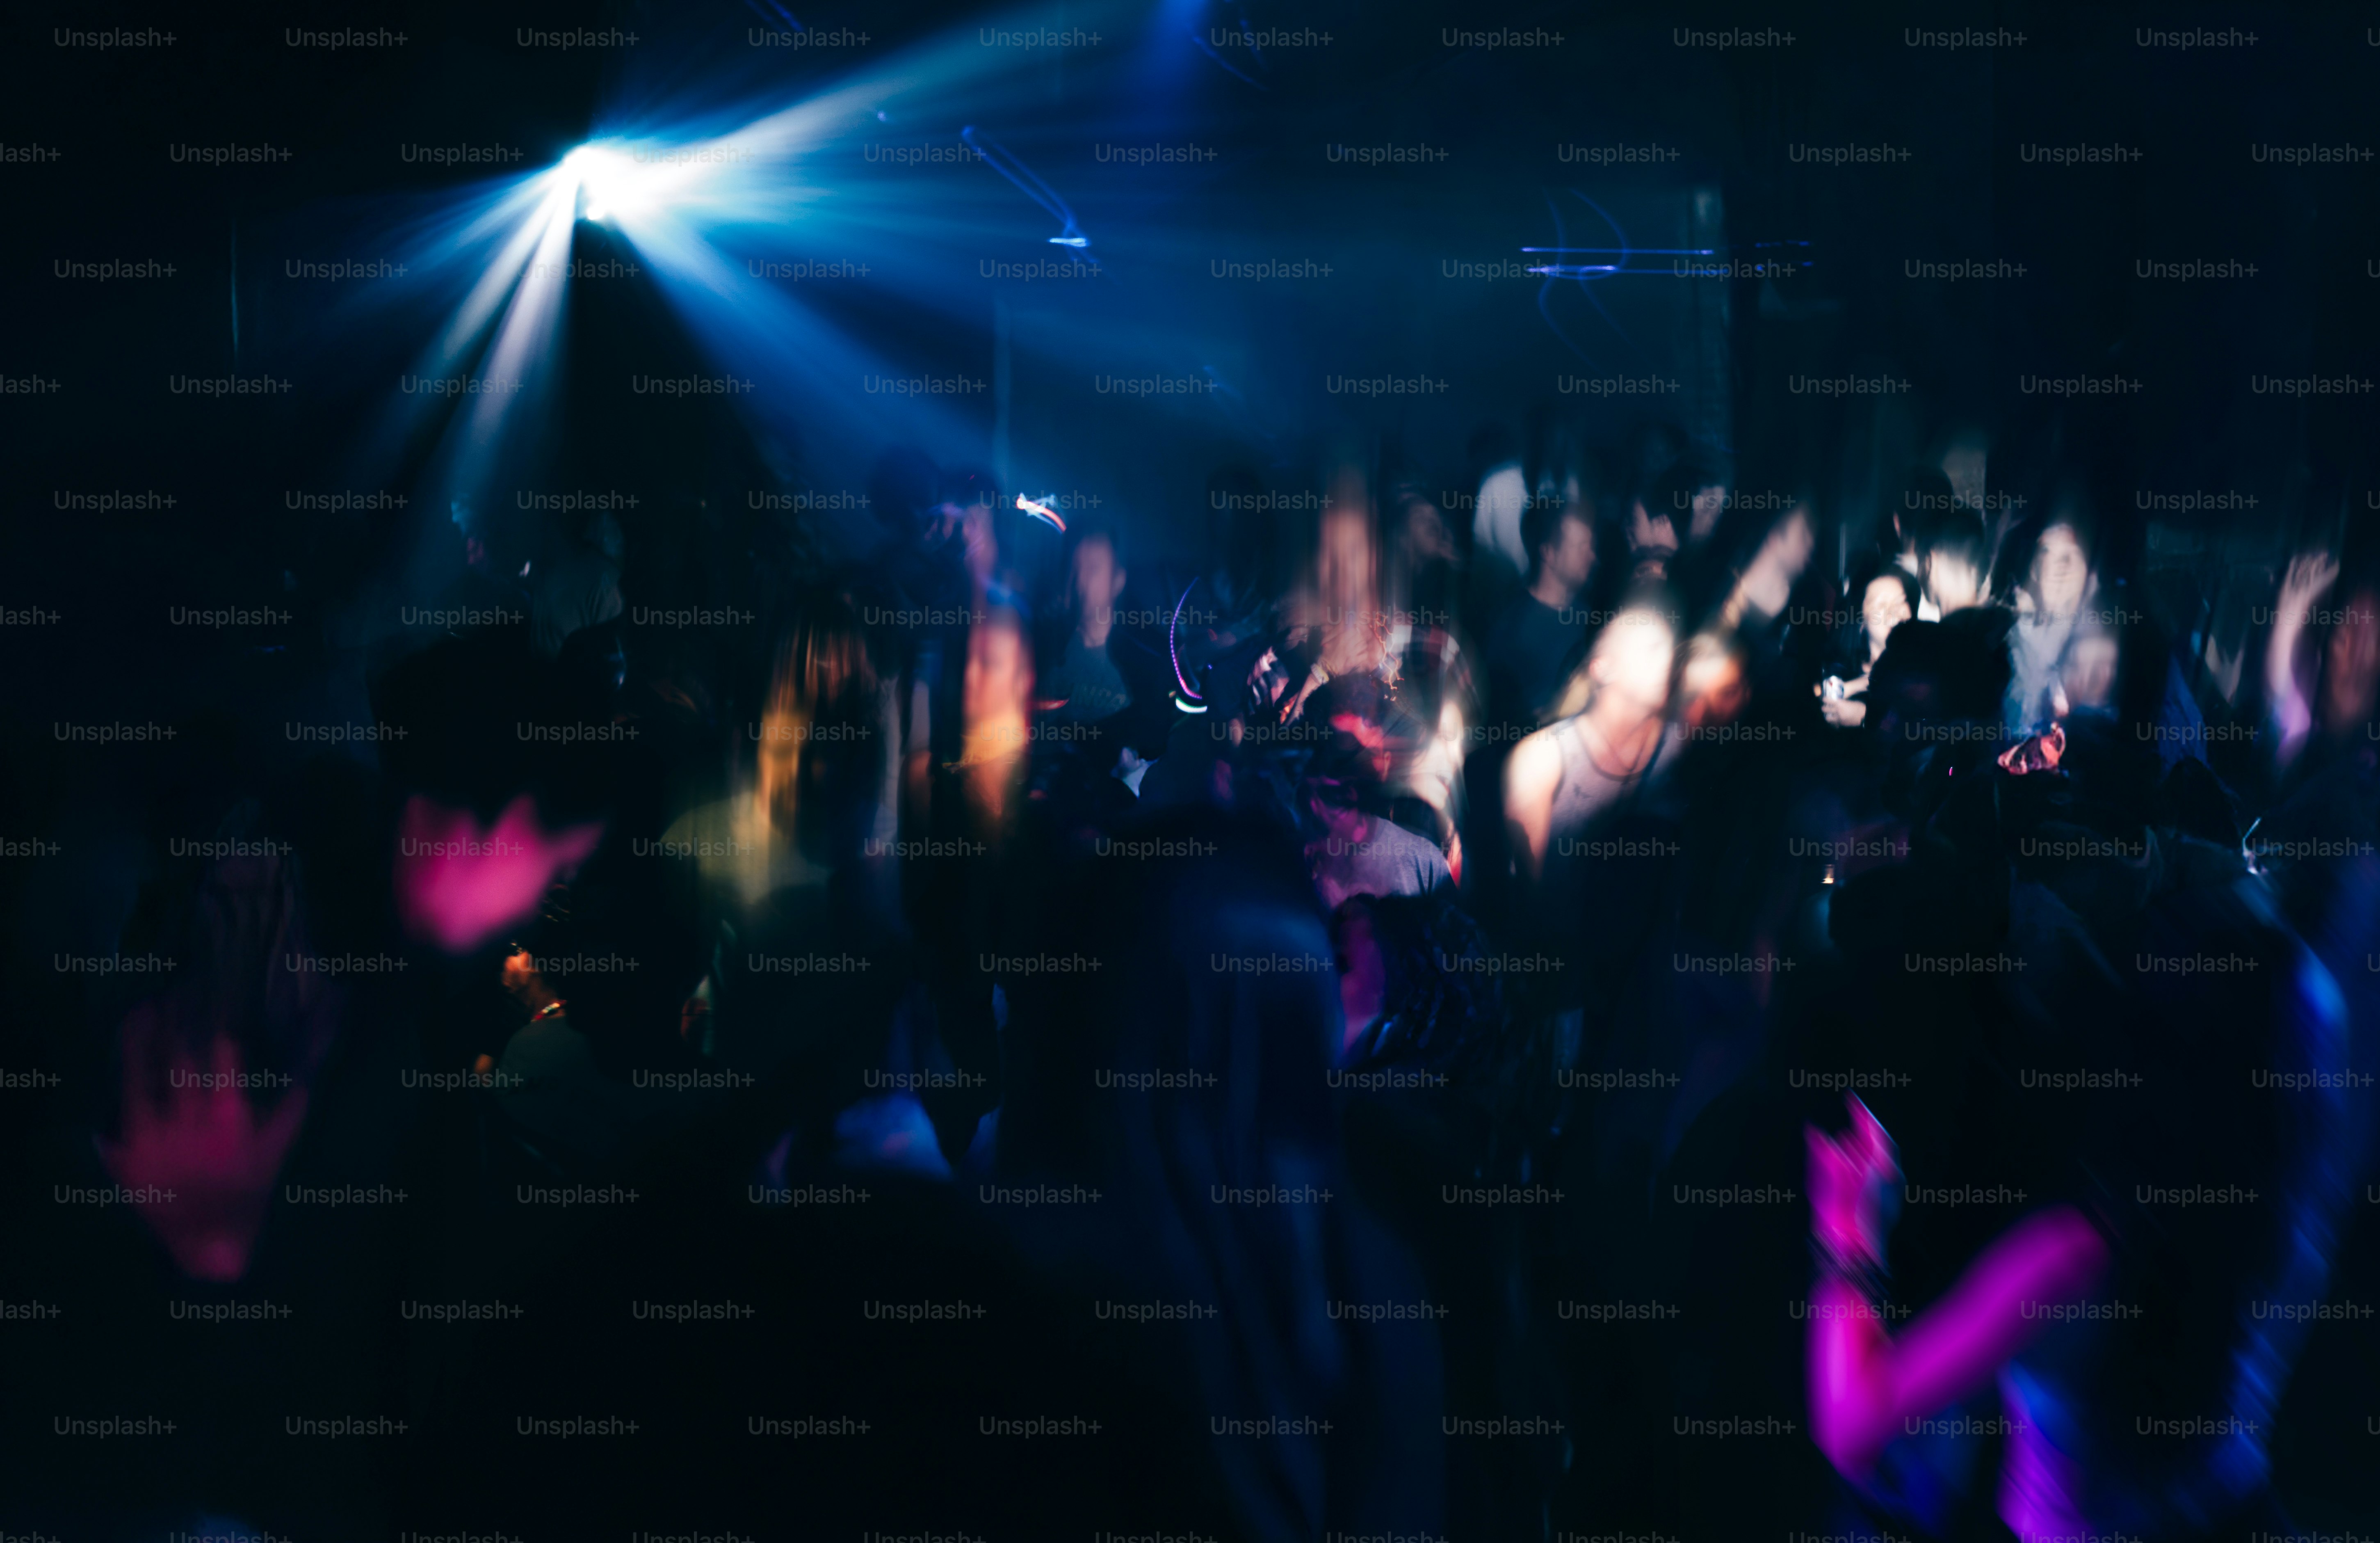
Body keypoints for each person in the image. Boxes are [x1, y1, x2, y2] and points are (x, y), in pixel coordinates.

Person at [1504, 598, 1679, 885]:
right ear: (1602, 668)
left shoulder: (1676, 747)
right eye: (1651, 650)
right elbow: (1532, 901)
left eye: (1668, 649)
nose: (1667, 661)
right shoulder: (1542, 758)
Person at [1483, 494, 1596, 729]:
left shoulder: (1589, 614)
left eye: (1591, 546)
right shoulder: (1511, 632)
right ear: (1548, 553)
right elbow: (1502, 723)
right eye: (1580, 547)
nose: (1592, 557)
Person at [1816, 567, 1919, 730]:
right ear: (1861, 622)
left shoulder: (1923, 667)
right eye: (1881, 605)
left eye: (1901, 602)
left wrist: (1866, 717)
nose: (1893, 612)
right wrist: (1857, 685)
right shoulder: (1841, 668)